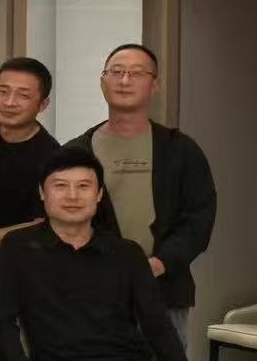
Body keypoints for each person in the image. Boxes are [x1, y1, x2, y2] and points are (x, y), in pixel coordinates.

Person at [67, 44, 216, 347]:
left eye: (136, 73)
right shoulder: (76, 152)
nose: (124, 81)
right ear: (102, 81)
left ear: (154, 84)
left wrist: (157, 265)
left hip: (164, 292)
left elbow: (199, 220)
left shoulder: (180, 150)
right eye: (116, 72)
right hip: (93, 293)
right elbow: (62, 219)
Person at [0, 146, 185, 361]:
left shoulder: (128, 254)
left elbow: (158, 326)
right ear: (42, 192)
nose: (72, 196)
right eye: (60, 186)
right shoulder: (17, 248)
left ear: (99, 194)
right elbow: (3, 323)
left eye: (83, 186)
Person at [0, 57, 60, 291]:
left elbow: (42, 224)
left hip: (17, 265)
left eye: (23, 95)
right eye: (3, 91)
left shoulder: (51, 157)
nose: (9, 102)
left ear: (43, 104)